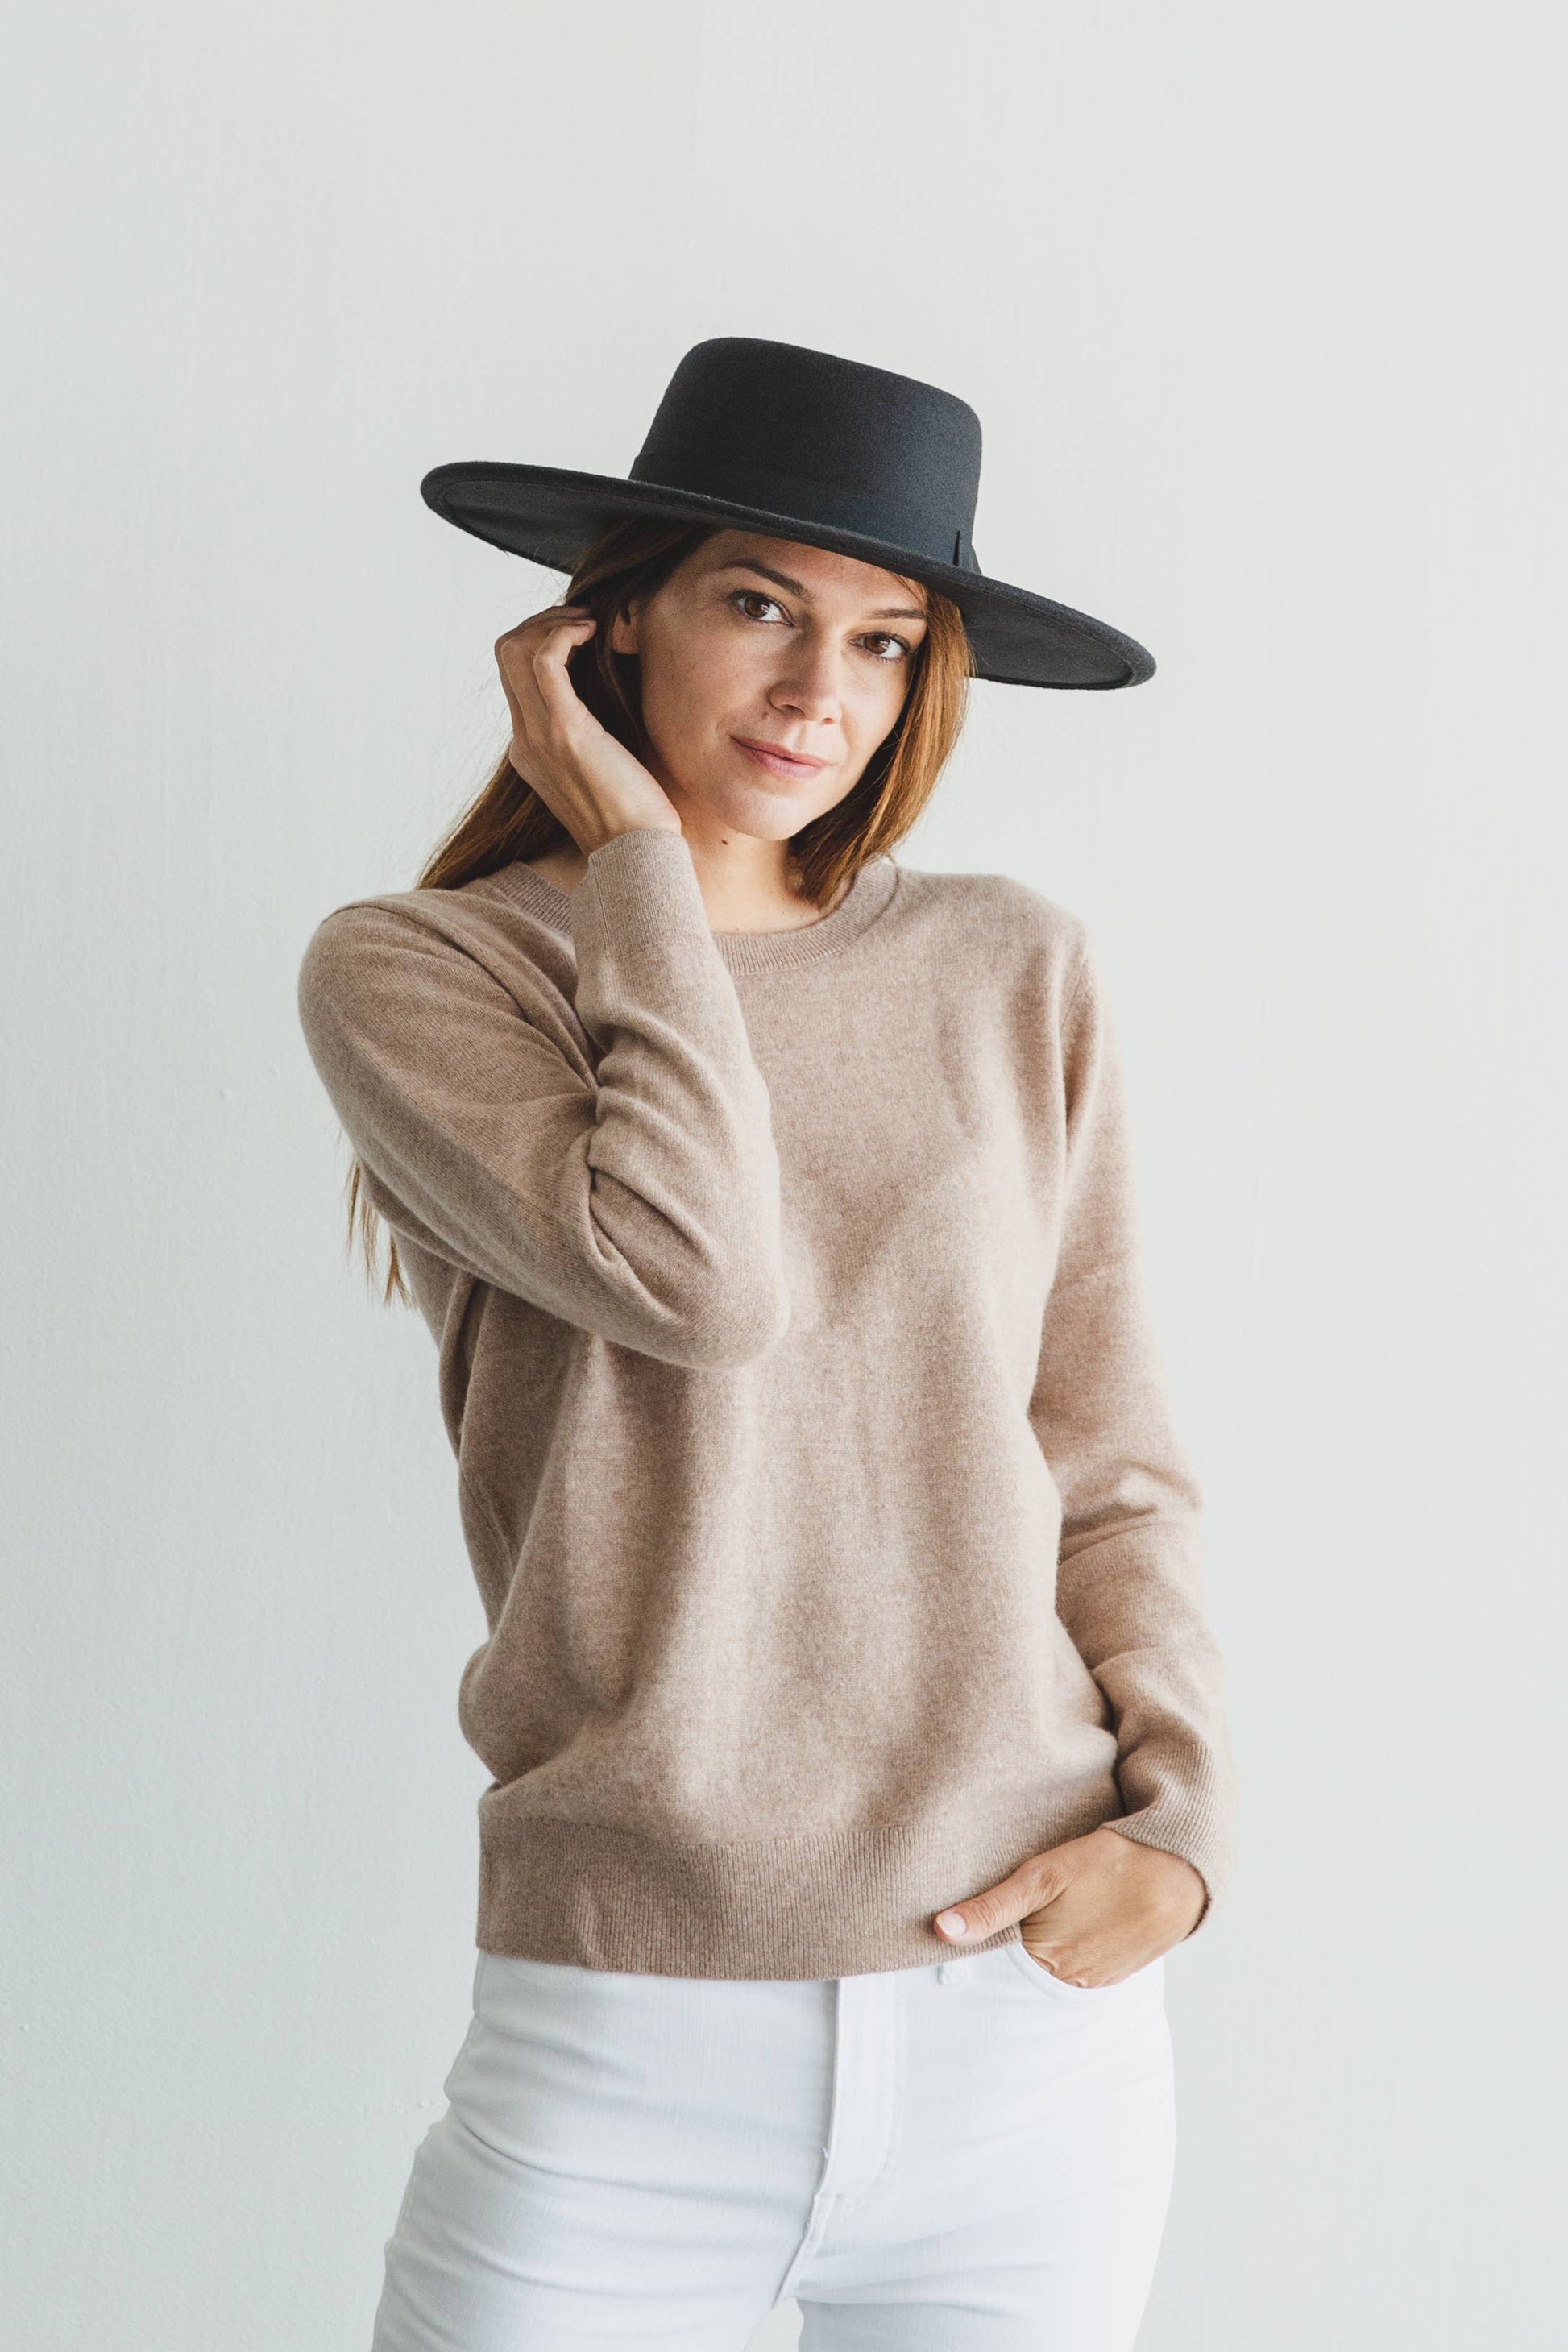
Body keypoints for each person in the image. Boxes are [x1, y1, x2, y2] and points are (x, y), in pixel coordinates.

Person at [297, 338, 1239, 2350]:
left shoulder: (1009, 963)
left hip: (1026, 2034)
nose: (826, 691)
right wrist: (633, 850)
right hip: (626, 2034)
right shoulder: (430, 968)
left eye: (889, 641)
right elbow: (694, 1274)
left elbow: (1107, 1453)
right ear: (609, 615)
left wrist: (1182, 1834)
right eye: (758, 605)